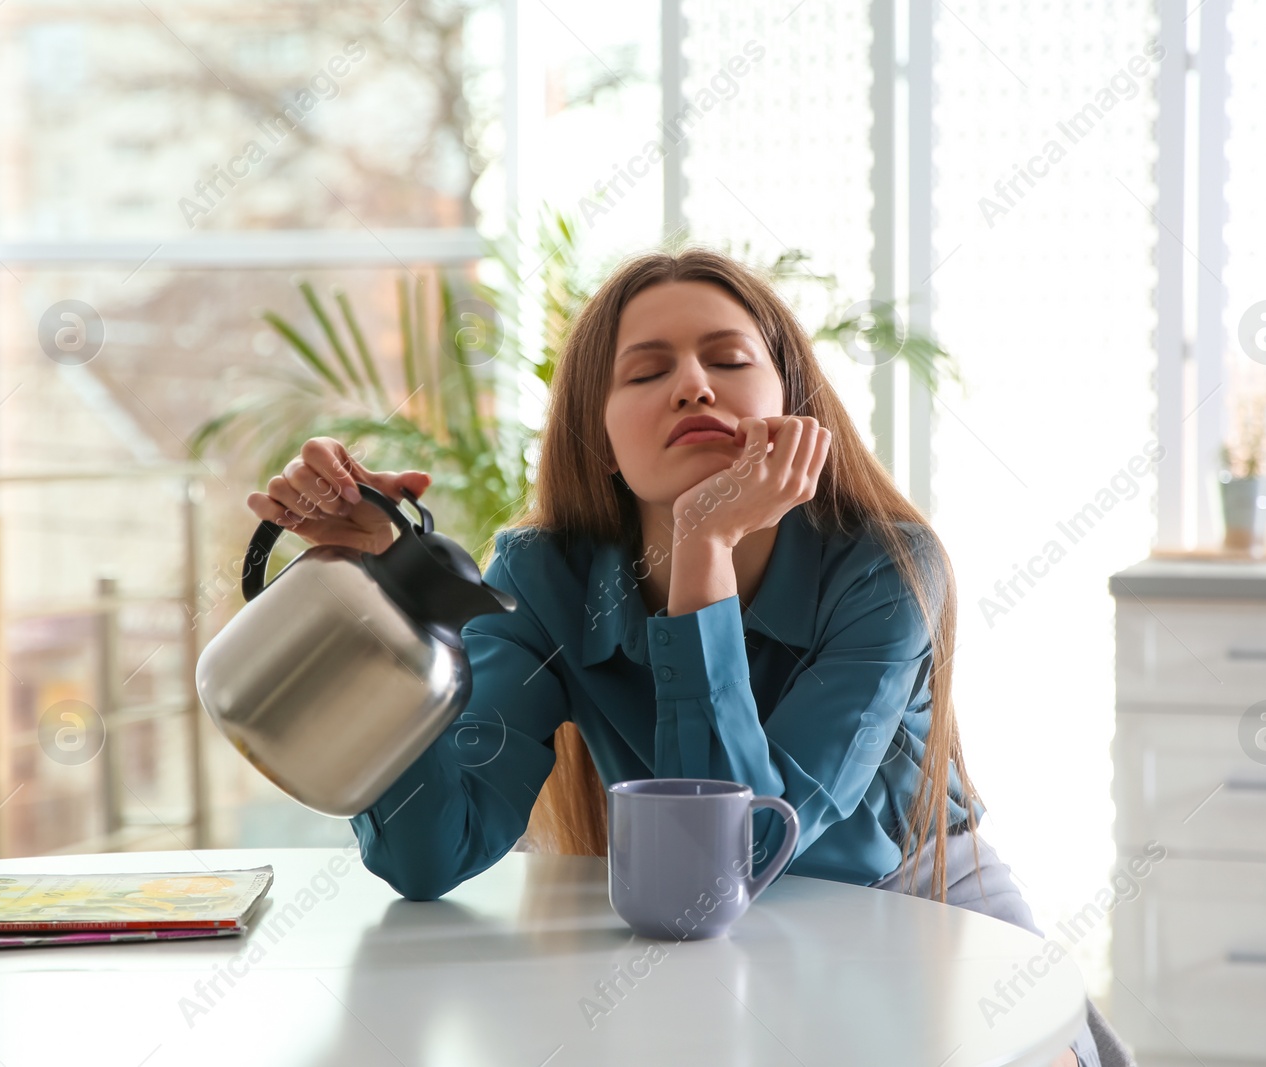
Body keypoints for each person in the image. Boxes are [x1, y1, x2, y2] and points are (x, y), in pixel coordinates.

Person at [246, 247, 1101, 1066]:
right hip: (692, 933)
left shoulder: (887, 566)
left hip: (922, 903)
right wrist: (391, 601)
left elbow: (738, 855)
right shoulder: (545, 576)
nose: (693, 384)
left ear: (791, 401)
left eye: (728, 360)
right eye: (647, 372)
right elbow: (428, 857)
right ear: (600, 439)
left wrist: (704, 545)